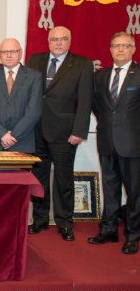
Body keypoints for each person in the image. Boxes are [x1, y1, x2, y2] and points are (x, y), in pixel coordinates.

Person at [26, 26, 94, 241]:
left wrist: (79, 131)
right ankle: (39, 220)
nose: (58, 43)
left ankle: (65, 222)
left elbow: (85, 101)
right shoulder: (35, 60)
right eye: (54, 39)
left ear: (69, 41)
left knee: (64, 179)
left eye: (63, 39)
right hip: (36, 130)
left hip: (65, 133)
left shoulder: (82, 64)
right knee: (39, 178)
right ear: (48, 40)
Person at [89, 32, 139, 254]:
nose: (120, 49)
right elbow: (97, 107)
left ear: (133, 49)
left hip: (133, 144)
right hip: (107, 141)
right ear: (110, 49)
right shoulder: (100, 76)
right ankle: (108, 230)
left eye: (125, 45)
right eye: (116, 45)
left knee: (134, 192)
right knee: (109, 189)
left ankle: (133, 235)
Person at [0, 38, 42, 152]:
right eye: (4, 52)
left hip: (22, 142)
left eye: (13, 51)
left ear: (20, 53)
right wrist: (2, 134)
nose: (8, 55)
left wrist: (13, 136)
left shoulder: (34, 77)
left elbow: (33, 111)